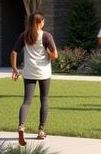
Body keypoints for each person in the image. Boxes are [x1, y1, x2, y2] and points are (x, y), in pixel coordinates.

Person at [11, 13, 58, 146]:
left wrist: (14, 69)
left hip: (29, 72)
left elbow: (14, 52)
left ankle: (21, 126)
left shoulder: (24, 35)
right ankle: (41, 131)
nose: (44, 22)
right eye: (43, 21)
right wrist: (48, 55)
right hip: (43, 73)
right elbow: (55, 55)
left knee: (26, 101)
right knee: (44, 99)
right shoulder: (46, 36)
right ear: (40, 22)